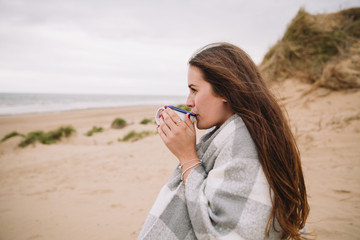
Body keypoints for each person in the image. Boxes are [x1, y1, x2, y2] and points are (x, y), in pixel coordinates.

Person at [138, 42, 309, 240]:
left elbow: (222, 233)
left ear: (225, 91)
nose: (188, 101)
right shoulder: (255, 131)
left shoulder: (244, 142)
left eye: (194, 90)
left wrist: (187, 156)